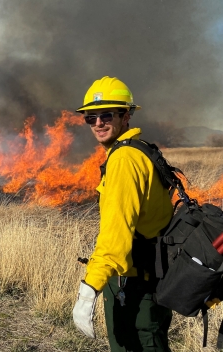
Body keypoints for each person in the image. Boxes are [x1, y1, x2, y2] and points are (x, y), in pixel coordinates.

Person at [72, 76, 174, 351]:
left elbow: (115, 237)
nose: (98, 123)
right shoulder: (140, 150)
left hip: (134, 287)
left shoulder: (124, 161)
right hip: (151, 281)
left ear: (125, 115)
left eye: (106, 115)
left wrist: (89, 288)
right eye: (90, 118)